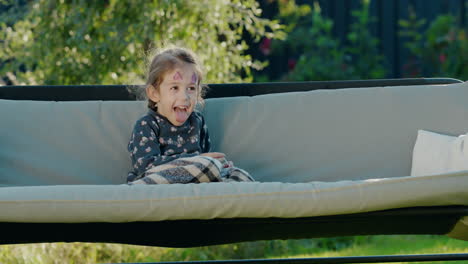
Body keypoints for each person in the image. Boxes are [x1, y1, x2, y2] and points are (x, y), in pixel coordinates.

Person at [127, 47, 254, 184]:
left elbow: (206, 161)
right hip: (153, 184)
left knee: (236, 173)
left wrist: (219, 165)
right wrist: (197, 160)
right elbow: (145, 166)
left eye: (191, 88)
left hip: (194, 185)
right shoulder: (147, 125)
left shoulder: (197, 121)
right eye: (175, 88)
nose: (185, 96)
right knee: (206, 165)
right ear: (154, 93)